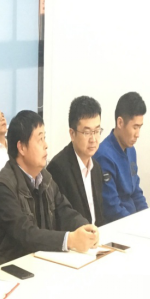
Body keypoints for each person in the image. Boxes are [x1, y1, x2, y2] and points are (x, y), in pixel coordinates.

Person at [0, 110, 98, 266]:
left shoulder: (45, 177)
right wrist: (70, 240)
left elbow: (64, 210)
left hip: (41, 262)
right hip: (11, 268)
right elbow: (27, 235)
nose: (46, 145)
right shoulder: (4, 187)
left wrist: (85, 227)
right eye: (40, 140)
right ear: (21, 148)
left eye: (45, 138)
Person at [47, 96, 106, 226]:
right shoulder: (58, 169)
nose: (93, 139)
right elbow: (61, 220)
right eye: (87, 132)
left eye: (97, 131)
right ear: (72, 134)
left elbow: (99, 217)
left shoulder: (96, 168)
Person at [94, 92, 148, 222]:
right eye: (135, 127)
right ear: (120, 122)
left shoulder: (131, 150)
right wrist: (136, 224)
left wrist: (147, 216)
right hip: (119, 223)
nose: (138, 134)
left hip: (132, 219)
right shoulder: (103, 156)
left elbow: (136, 191)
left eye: (140, 127)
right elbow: (112, 208)